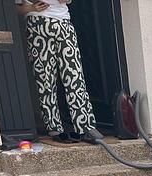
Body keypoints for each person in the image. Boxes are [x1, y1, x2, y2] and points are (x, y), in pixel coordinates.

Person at [15, 0, 103, 143]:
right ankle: (53, 126)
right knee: (44, 77)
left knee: (74, 75)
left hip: (63, 23)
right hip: (36, 24)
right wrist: (31, 7)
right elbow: (15, 8)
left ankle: (85, 125)